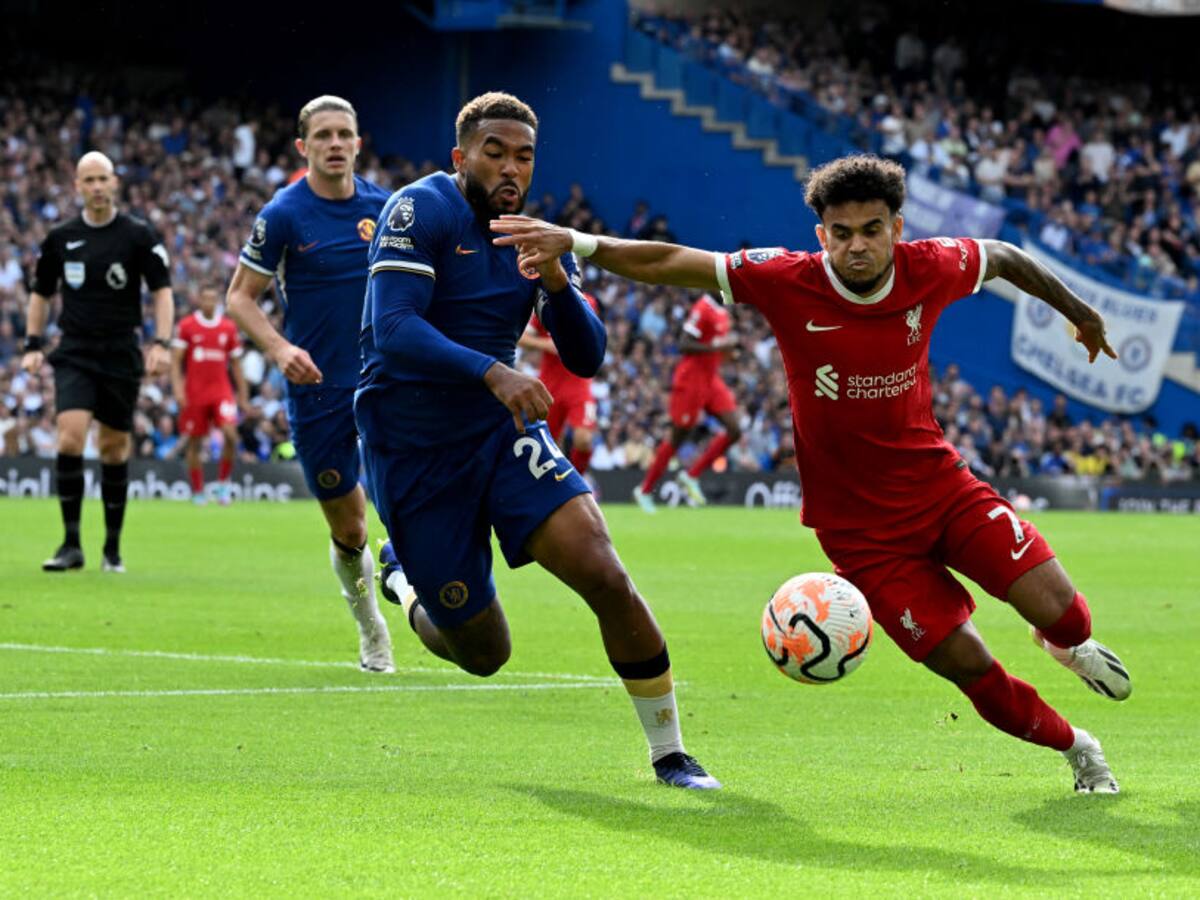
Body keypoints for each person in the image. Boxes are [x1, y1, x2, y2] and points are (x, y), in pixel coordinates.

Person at [492, 154, 1132, 794]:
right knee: (969, 664)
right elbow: (669, 262)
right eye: (842, 233)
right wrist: (576, 242)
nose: (858, 246)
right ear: (821, 235)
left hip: (944, 492)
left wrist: (1080, 311)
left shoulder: (934, 266)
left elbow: (1006, 256)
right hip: (861, 537)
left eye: (872, 230)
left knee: (1065, 614)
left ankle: (1065, 646)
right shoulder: (785, 278)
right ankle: (1079, 750)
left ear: (896, 229)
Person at [359, 91, 718, 789]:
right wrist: (493, 369)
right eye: (494, 152)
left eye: (523, 156)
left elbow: (586, 357)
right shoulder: (420, 209)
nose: (510, 168)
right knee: (484, 652)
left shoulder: (536, 235)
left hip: (500, 434)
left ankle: (670, 753)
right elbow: (392, 329)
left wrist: (557, 279)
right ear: (461, 156)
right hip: (415, 448)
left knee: (606, 574)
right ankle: (403, 580)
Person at [226, 95, 398, 674]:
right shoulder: (282, 214)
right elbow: (239, 297)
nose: (333, 144)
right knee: (349, 525)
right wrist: (278, 348)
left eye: (343, 134)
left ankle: (409, 569)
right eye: (321, 135)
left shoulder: (386, 207)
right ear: (303, 146)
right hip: (317, 388)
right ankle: (371, 624)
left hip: (383, 382)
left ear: (357, 141)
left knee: (404, 492)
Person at [21, 151, 174, 573]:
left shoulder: (138, 235)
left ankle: (112, 549)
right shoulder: (60, 237)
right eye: (88, 180)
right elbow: (40, 293)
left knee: (113, 447)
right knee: (70, 437)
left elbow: (162, 291)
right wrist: (33, 344)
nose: (96, 187)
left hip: (121, 351)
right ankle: (71, 544)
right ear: (77, 186)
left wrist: (161, 341)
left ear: (115, 182)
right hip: (75, 349)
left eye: (102, 178)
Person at [632, 292, 743, 512]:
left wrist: (730, 354)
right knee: (679, 435)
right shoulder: (703, 307)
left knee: (735, 430)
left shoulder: (723, 311)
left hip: (711, 379)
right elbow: (684, 343)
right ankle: (644, 490)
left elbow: (717, 348)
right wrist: (716, 347)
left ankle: (691, 476)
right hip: (691, 379)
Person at [172, 285, 249, 504]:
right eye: (205, 298)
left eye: (213, 298)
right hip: (194, 392)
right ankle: (197, 491)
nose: (209, 302)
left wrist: (242, 395)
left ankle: (223, 486)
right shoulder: (187, 326)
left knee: (231, 435)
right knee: (194, 442)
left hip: (221, 391)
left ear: (217, 301)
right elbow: (176, 361)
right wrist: (178, 389)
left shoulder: (228, 328)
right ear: (199, 300)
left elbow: (236, 364)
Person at [516, 291, 600, 477]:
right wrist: (546, 344)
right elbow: (521, 338)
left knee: (583, 439)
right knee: (546, 443)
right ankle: (550, 491)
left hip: (579, 382)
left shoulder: (588, 301)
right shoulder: (544, 304)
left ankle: (576, 485)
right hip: (550, 384)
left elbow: (594, 336)